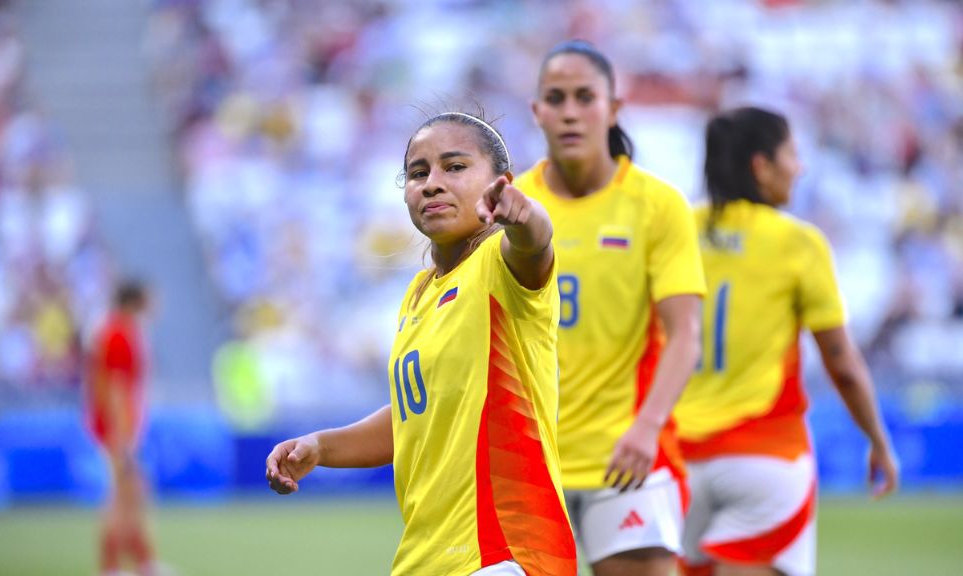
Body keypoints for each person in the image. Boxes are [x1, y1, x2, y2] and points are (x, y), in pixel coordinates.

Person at [266, 112, 577, 576]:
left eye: (454, 167)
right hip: (429, 558)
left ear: (501, 183)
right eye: (418, 172)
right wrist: (321, 446)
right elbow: (415, 417)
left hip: (503, 552)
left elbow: (535, 244)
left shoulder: (501, 265)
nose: (432, 183)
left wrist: (525, 215)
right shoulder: (418, 294)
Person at [674, 106, 899, 576]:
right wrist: (877, 439)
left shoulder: (676, 230)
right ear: (761, 165)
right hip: (764, 455)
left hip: (677, 464)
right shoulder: (797, 242)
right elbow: (841, 361)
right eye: (792, 154)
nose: (800, 167)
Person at [516, 40, 706, 576]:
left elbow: (685, 333)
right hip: (528, 466)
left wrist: (647, 428)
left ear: (613, 108)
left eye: (585, 96)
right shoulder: (509, 206)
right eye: (556, 98)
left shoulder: (656, 205)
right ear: (537, 111)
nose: (571, 111)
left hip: (626, 459)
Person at [85, 280, 160, 576]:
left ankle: (142, 562)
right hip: (118, 430)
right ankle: (112, 566)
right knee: (122, 495)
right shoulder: (118, 333)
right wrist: (122, 438)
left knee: (133, 493)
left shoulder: (118, 330)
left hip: (120, 428)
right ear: (136, 300)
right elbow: (115, 389)